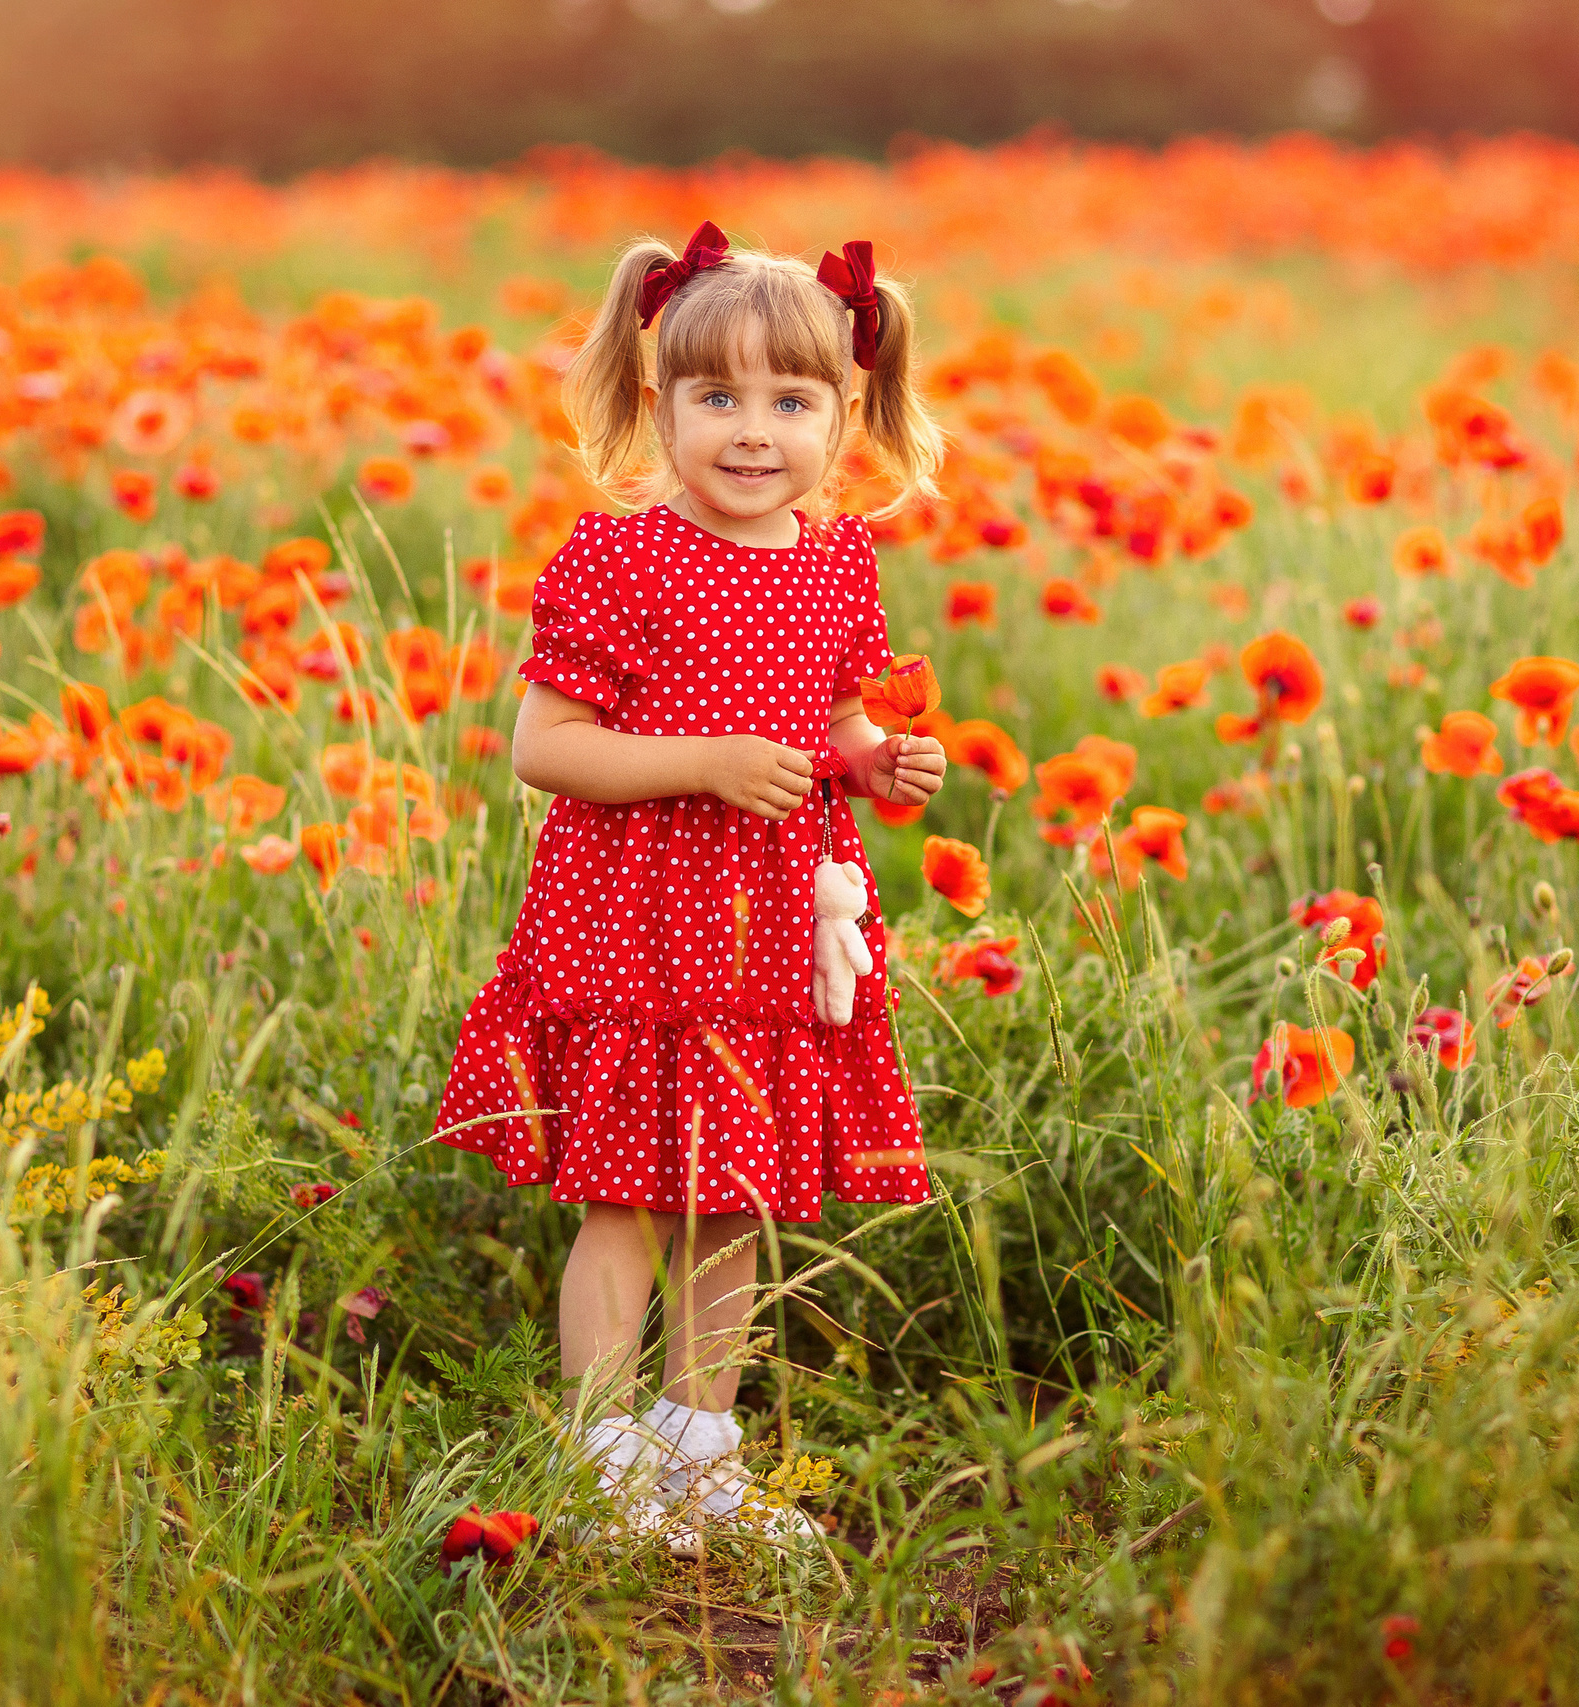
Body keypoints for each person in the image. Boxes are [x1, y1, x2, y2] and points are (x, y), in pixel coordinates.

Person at [434, 222, 947, 1550]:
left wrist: (880, 762)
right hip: (636, 925)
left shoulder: (840, 563)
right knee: (627, 1200)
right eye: (716, 397)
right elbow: (546, 746)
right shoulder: (619, 557)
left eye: (792, 400)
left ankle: (699, 1461)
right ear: (659, 405)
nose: (753, 430)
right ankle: (601, 1463)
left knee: (735, 1205)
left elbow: (829, 719)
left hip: (778, 924)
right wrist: (705, 763)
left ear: (848, 416)